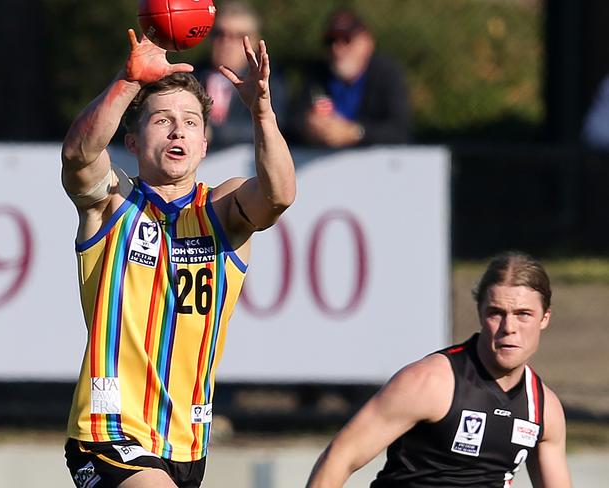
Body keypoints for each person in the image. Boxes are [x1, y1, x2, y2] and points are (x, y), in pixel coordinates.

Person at [60, 27, 295, 488]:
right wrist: (128, 81)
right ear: (132, 142)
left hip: (187, 442)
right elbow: (78, 157)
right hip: (109, 431)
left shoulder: (222, 211)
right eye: (161, 119)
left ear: (204, 144)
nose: (177, 130)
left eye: (190, 121)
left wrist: (262, 113)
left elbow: (279, 195)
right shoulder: (112, 203)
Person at [306, 251, 572, 488]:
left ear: (544, 318)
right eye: (496, 313)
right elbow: (340, 458)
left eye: (523, 314)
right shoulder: (431, 382)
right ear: (480, 314)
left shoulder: (544, 409)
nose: (509, 327)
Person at [289, 9, 410, 148]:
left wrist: (355, 133)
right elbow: (293, 123)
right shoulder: (316, 74)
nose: (337, 48)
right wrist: (309, 128)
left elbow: (398, 131)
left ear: (367, 43)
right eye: (331, 41)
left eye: (347, 39)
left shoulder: (387, 74)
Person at [195, 0, 288, 149]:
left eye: (238, 36)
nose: (226, 42)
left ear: (255, 40)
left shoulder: (269, 81)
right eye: (219, 33)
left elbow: (275, 126)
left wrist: (213, 132)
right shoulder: (190, 76)